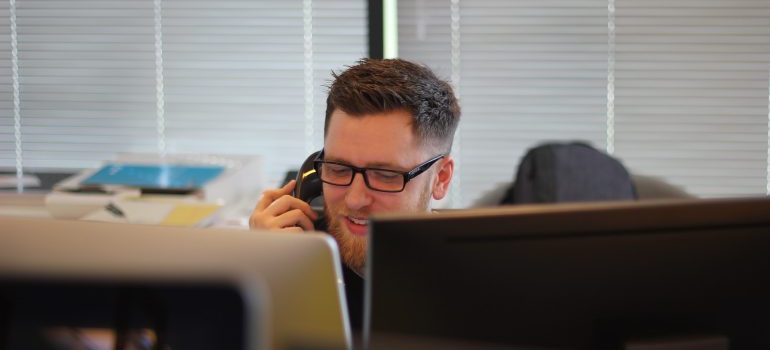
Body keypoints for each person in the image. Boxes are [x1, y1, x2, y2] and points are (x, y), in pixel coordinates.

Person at [249, 58, 461, 330]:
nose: (355, 199)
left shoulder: (480, 289)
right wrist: (259, 274)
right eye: (338, 169)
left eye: (385, 175)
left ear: (440, 178)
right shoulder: (290, 260)